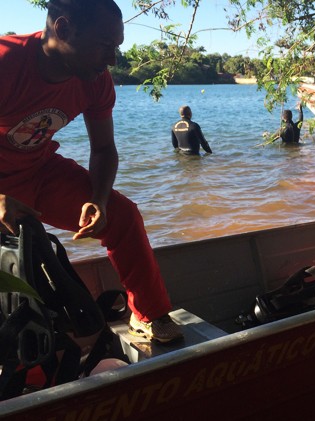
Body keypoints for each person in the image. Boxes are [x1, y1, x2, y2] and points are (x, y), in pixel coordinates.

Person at [0, 0, 183, 343]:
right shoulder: (6, 63)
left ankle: (148, 315)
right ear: (63, 29)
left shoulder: (95, 79)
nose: (112, 60)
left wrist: (98, 199)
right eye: (105, 46)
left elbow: (103, 149)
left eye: (116, 48)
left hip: (39, 171)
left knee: (122, 215)